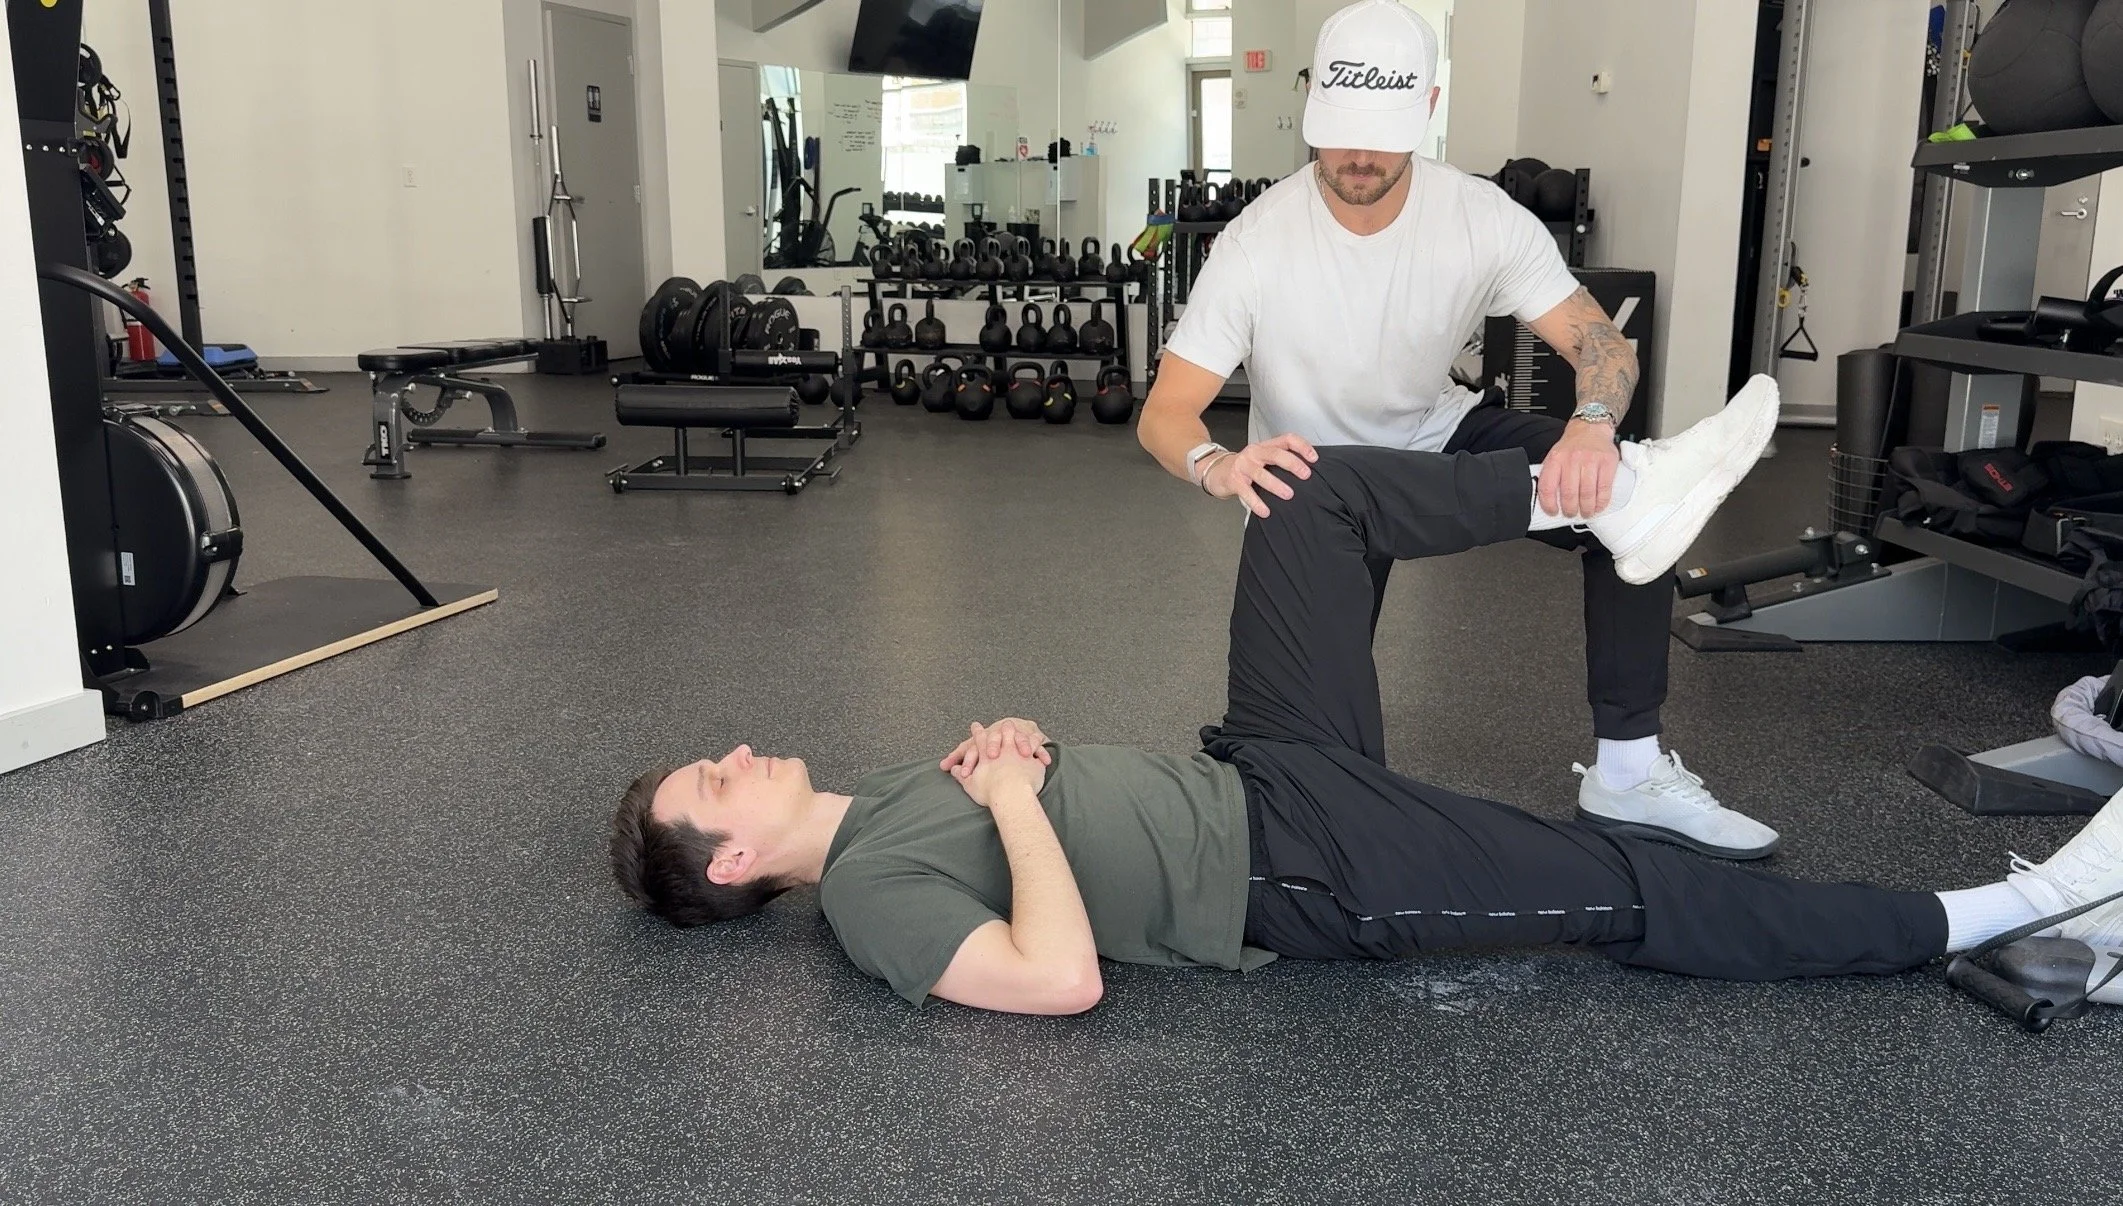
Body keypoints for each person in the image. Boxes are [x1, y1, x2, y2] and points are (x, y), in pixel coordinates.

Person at [608, 382, 2123, 1017]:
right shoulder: (864, 900)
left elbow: (1056, 825)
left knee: (1300, 493)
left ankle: (1610, 499)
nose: (735, 752)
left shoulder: (880, 800)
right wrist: (1010, 794)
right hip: (1301, 871)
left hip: (1260, 768)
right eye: (713, 780)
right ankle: (1999, 912)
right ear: (732, 863)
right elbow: (1056, 977)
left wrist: (1021, 750)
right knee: (1621, 884)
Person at [1135, 0, 1778, 859]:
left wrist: (1590, 427)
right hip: (1313, 487)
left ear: (1427, 108)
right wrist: (1216, 464)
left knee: (1622, 493)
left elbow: (1600, 344)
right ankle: (1627, 494)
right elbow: (1165, 413)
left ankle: (1627, 773)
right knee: (1311, 765)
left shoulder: (1480, 217)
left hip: (1437, 436)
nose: (1357, 157)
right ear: (1311, 105)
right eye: (1339, 132)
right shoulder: (1255, 243)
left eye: (1380, 136)